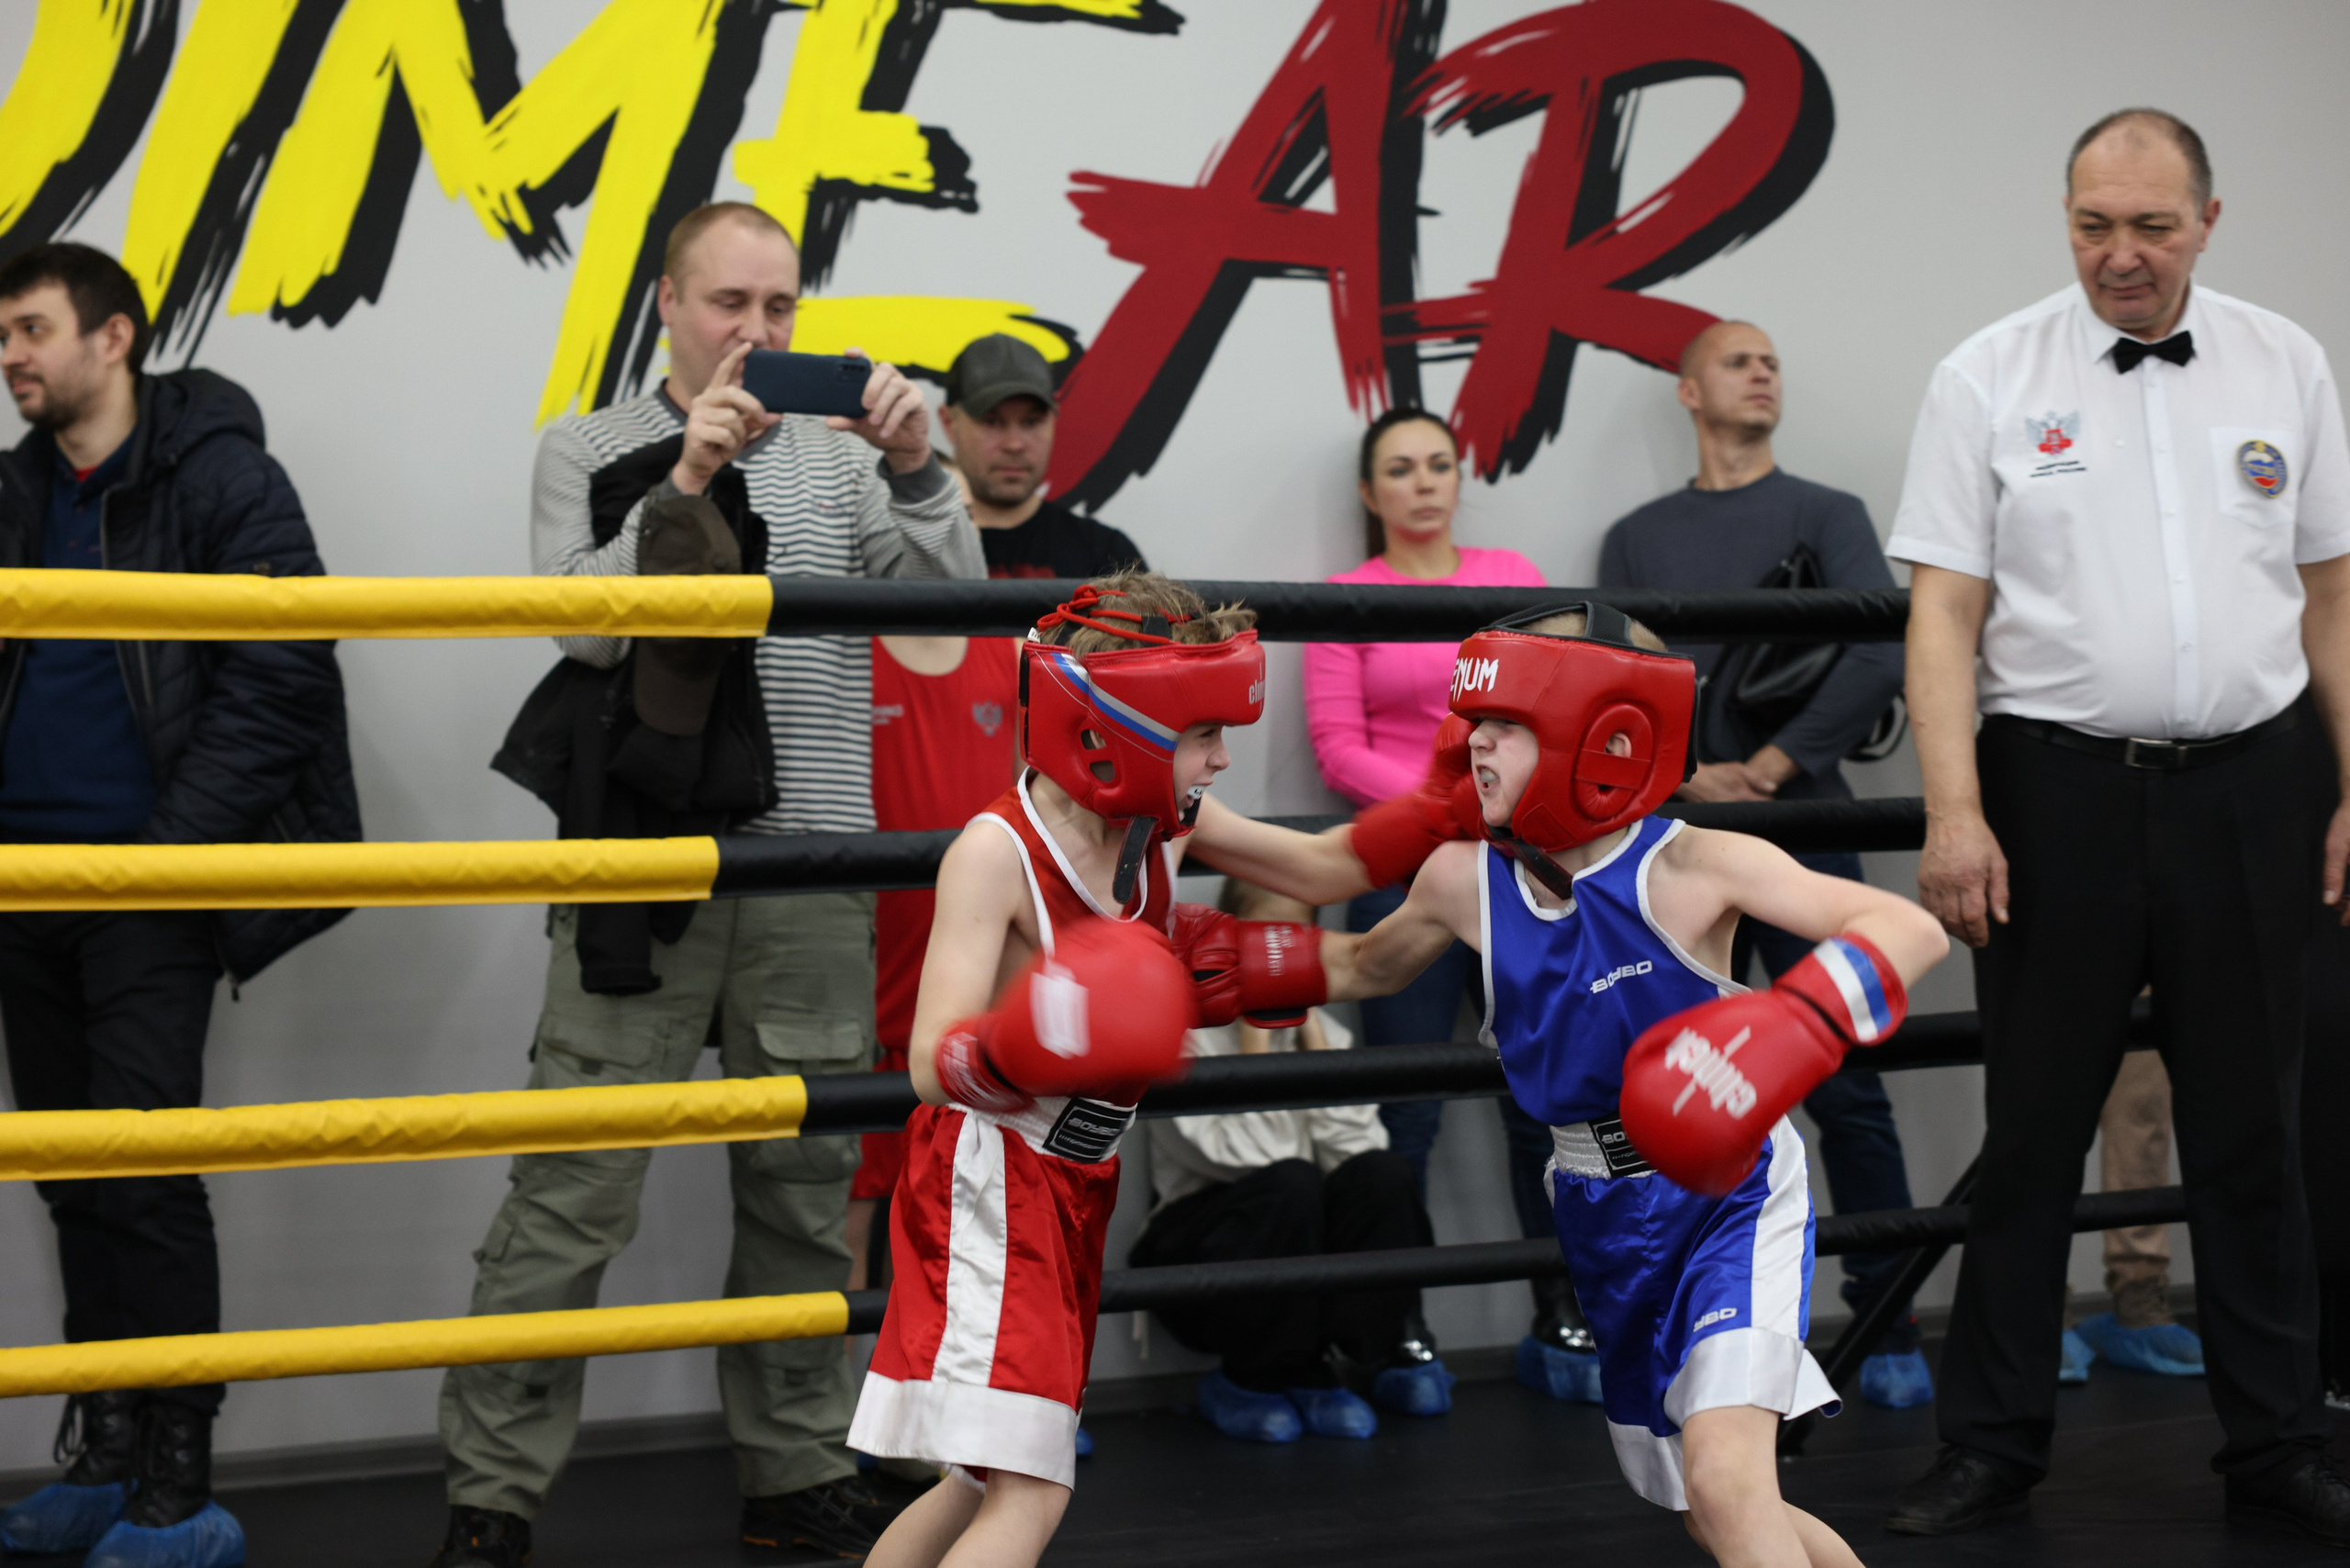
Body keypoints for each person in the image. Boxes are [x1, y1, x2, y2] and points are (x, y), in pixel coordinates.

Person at [435, 202, 984, 1568]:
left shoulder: (845, 463)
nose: (756, 329)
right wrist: (684, 483)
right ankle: (490, 1497)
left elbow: (953, 615)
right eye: (730, 303)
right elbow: (581, 632)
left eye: (780, 307)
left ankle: (795, 1474)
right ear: (668, 304)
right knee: (572, 1191)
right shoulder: (590, 447)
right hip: (646, 862)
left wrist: (919, 466)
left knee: (803, 1190)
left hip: (816, 868)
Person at [1883, 109, 2350, 1542]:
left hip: (2256, 788)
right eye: (2094, 225)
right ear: (2067, 218)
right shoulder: (1987, 374)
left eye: (2151, 226)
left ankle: (2278, 1441)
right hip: (2055, 792)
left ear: (2209, 219)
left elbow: (2332, 599)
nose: (2121, 255)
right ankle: (1990, 1448)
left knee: (2253, 1135)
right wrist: (1954, 814)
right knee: (2032, 1131)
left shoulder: (2288, 361)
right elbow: (1942, 616)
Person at [849, 568, 1481, 1568]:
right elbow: (932, 1059)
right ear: (1115, 728)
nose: (1223, 757)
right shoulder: (994, 852)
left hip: (1075, 1177)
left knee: (975, 1480)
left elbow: (1322, 868)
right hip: (989, 1176)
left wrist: (1442, 808)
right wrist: (1033, 1034)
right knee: (1032, 1488)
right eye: (1203, 733)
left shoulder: (1163, 822)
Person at [1301, 603, 1949, 1566]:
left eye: (1508, 723)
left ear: (1598, 734)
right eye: (1476, 720)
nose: (1473, 741)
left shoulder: (1693, 862)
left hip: (1728, 1194)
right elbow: (1362, 965)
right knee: (1710, 1505)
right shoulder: (1463, 879)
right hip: (1597, 1207)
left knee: (1728, 1483)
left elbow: (1908, 929)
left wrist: (1792, 1022)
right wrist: (1209, 962)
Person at [0, 242, 359, 1568]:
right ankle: (106, 1453)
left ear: (115, 337)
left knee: (146, 1179)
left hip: (148, 884)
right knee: (72, 1179)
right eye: (4, 336)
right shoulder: (15, 489)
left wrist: (165, 857)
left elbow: (283, 673)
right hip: (22, 885)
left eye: (32, 330)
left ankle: (179, 1483)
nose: (11, 357)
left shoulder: (221, 475)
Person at [1596, 321, 1927, 1409]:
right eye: (1738, 361)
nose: (1762, 373)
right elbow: (1611, 674)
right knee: (1669, 1083)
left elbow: (1879, 646)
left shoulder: (1826, 512)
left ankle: (1885, 1320)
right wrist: (1690, 774)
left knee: (1848, 1084)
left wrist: (1775, 766)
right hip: (1674, 838)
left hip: (1804, 822)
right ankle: (1686, 1332)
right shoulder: (1636, 535)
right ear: (1688, 392)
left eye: (1772, 360)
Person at [1300, 408, 1583, 1400]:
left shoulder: (1512, 577)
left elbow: (1554, 714)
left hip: (1518, 864)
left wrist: (1485, 814)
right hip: (1403, 866)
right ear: (1369, 492)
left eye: (1437, 464)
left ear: (1459, 479)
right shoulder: (1346, 598)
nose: (1422, 483)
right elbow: (1337, 747)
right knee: (1405, 1110)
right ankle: (1398, 1326)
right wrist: (1448, 808)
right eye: (1399, 469)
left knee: (1543, 1100)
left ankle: (1565, 1308)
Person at [1130, 877, 1453, 1445]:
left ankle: (1340, 1363)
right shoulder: (1184, 1034)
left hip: (1300, 1243)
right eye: (1262, 938)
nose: (1276, 955)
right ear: (1229, 938)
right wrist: (1254, 1047)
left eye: (1293, 937)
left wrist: (1313, 1046)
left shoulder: (1324, 1032)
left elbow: (1359, 1154)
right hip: (1198, 1254)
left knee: (1384, 1175)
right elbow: (1261, 1160)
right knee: (1291, 1183)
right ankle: (1251, 1377)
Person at [937, 333, 1146, 579]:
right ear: (949, 423)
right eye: (992, 421)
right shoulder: (913, 551)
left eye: (1031, 422)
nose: (1014, 445)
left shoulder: (1108, 559)